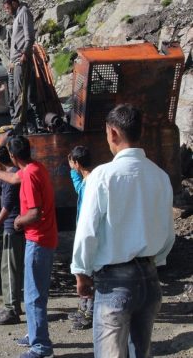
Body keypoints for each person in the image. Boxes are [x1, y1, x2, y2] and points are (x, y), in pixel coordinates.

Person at [71, 104, 176, 358]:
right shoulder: (160, 176)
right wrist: (156, 260)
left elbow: (87, 230)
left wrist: (81, 272)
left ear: (113, 132)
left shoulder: (102, 176)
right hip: (150, 281)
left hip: (114, 283)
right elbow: (168, 232)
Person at [0, 135, 57, 358]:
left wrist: (18, 221)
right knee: (35, 292)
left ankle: (41, 347)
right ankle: (34, 334)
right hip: (42, 239)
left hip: (38, 239)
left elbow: (34, 213)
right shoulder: (35, 168)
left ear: (14, 157)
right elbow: (14, 178)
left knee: (34, 295)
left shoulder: (30, 175)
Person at [0, 146, 24, 325]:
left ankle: (12, 309)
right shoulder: (12, 174)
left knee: (9, 270)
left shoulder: (10, 178)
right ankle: (13, 305)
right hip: (14, 229)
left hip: (11, 229)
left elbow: (6, 207)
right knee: (11, 269)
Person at [3, 0, 40, 134]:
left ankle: (19, 124)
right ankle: (22, 123)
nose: (7, 11)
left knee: (21, 93)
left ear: (14, 3)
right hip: (16, 62)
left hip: (21, 60)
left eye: (7, 8)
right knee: (18, 93)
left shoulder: (24, 13)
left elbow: (29, 37)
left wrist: (24, 54)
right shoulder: (17, 15)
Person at [67, 145, 93, 330]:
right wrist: (72, 171)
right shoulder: (86, 181)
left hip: (89, 234)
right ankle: (84, 308)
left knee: (88, 274)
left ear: (76, 163)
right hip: (85, 232)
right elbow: (78, 187)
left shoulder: (91, 184)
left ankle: (90, 313)